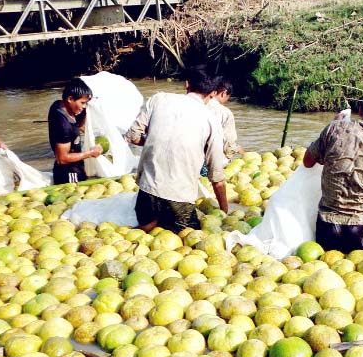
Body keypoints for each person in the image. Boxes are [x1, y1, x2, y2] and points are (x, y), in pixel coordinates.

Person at [125, 68, 229, 233]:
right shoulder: (212, 121)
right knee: (189, 237)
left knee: (147, 230)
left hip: (147, 195)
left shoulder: (158, 99)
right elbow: (216, 176)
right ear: (213, 93)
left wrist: (153, 140)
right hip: (179, 200)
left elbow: (132, 136)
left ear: (187, 84)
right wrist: (224, 211)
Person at [303, 89, 363, 254]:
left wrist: (334, 126)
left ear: (361, 110)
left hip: (326, 228)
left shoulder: (335, 128)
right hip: (360, 231)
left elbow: (307, 162)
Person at [48, 78, 102, 185]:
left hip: (76, 166)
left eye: (86, 103)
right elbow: (62, 159)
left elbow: (79, 126)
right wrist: (90, 153)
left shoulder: (58, 105)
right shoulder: (63, 125)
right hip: (69, 173)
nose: (84, 106)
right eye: (82, 103)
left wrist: (86, 108)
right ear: (70, 99)